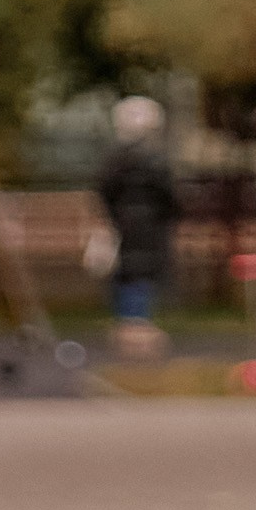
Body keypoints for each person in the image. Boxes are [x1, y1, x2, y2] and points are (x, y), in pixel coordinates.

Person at [95, 93, 178, 344]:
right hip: (150, 226)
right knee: (143, 272)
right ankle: (138, 321)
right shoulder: (156, 160)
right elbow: (169, 193)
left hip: (124, 224)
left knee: (127, 270)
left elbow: (105, 190)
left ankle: (127, 320)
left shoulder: (114, 159)